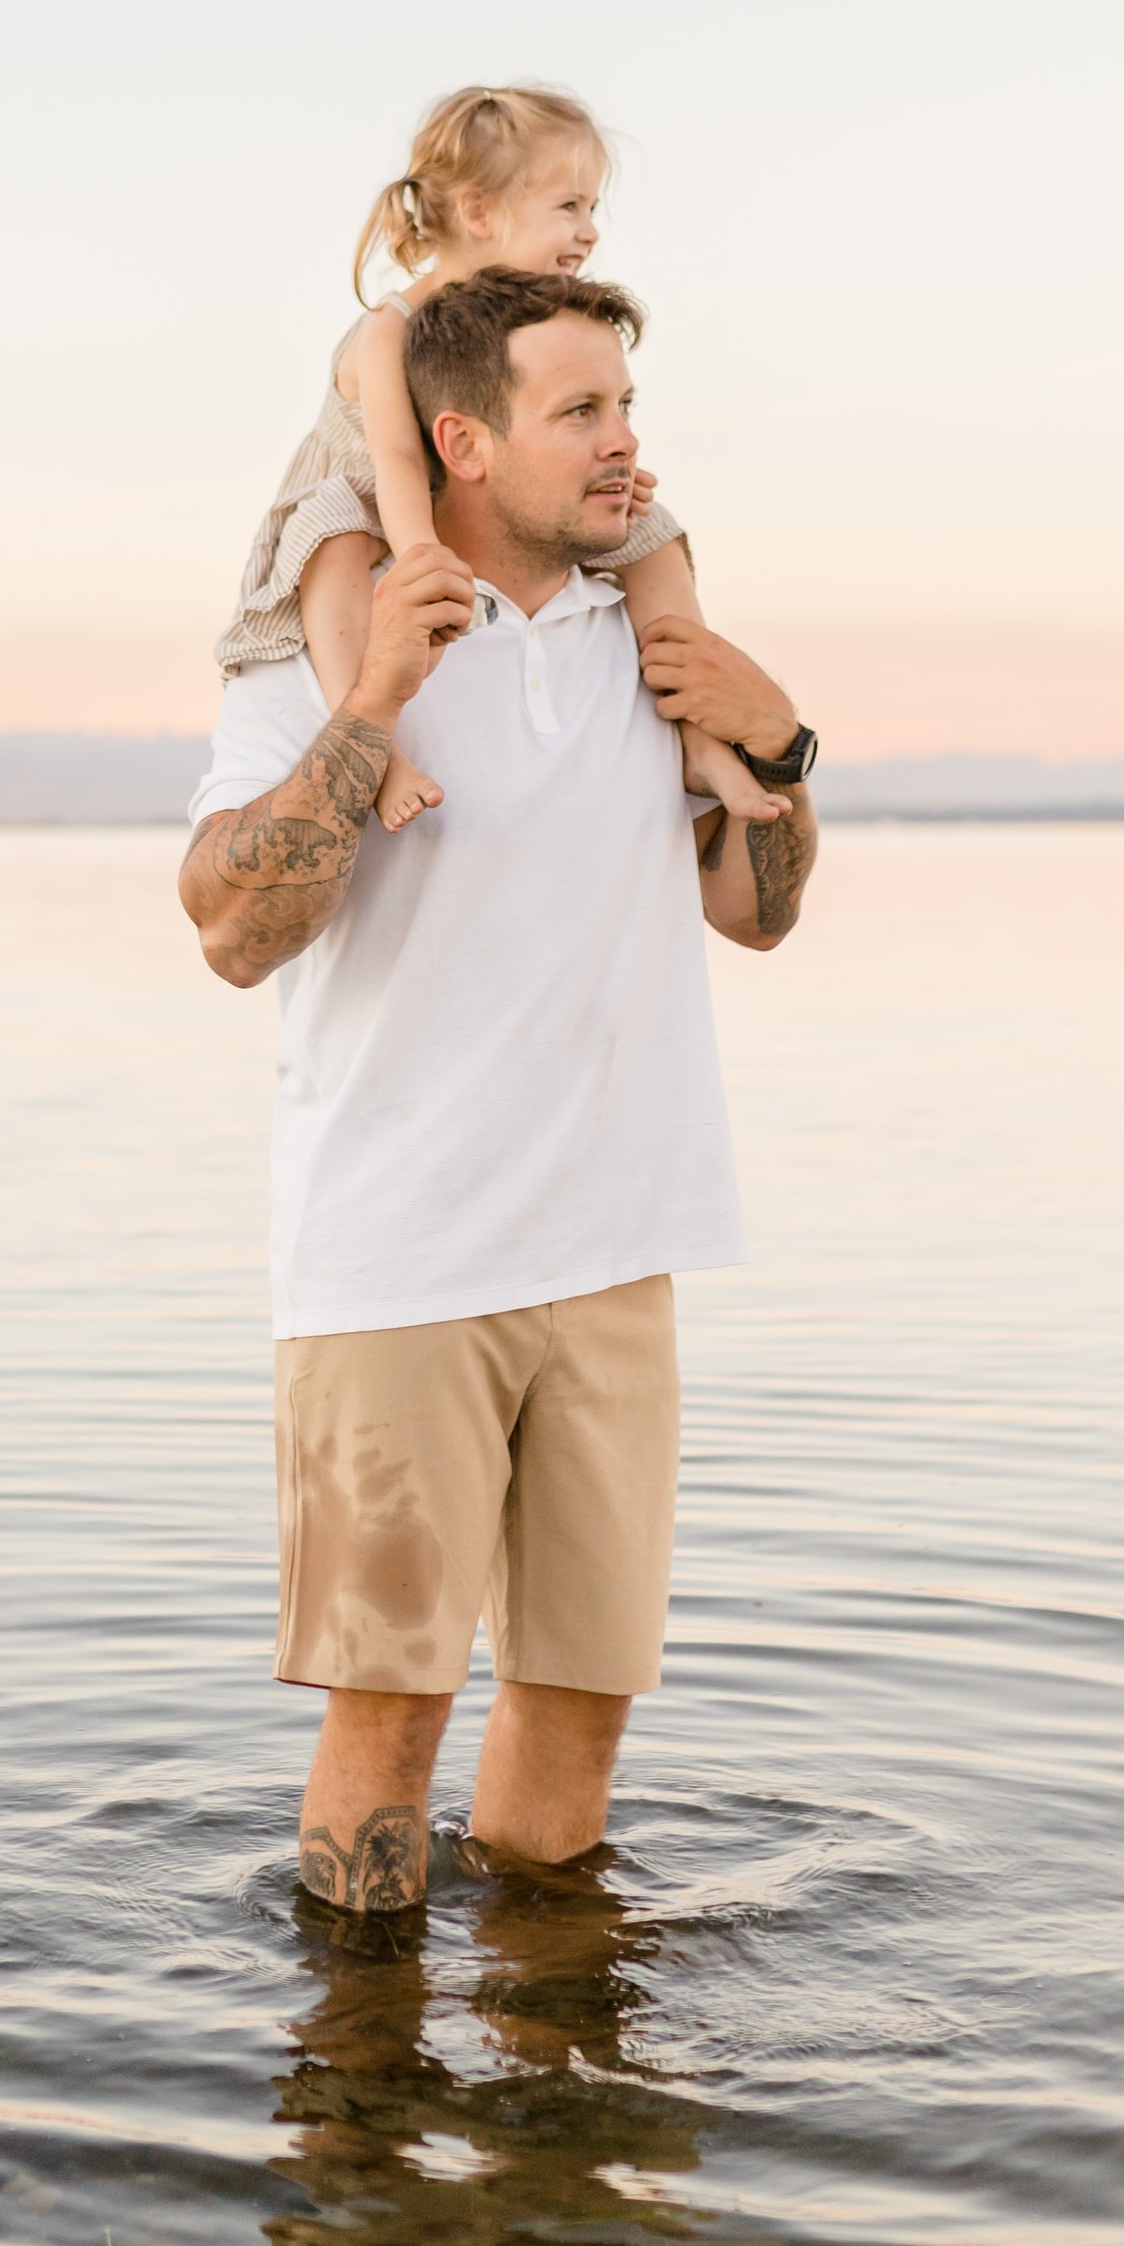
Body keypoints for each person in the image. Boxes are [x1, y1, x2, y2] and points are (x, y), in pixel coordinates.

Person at [180, 265, 820, 1909]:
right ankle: (360, 2106)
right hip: (401, 1266)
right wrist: (377, 698)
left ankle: (553, 2098)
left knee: (580, 1718)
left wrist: (785, 757)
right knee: (384, 1727)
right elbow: (233, 932)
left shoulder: (643, 649)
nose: (629, 448)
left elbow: (756, 917)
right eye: (583, 413)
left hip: (617, 1251)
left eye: (628, 406)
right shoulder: (321, 659)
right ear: (458, 439)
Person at [215, 81, 784, 836]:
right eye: (568, 207)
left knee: (654, 532)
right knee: (333, 532)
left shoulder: (519, 325)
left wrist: (606, 481)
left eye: (593, 209)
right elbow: (394, 459)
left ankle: (702, 739)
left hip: (460, 488)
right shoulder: (390, 329)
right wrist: (421, 563)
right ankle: (376, 752)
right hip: (371, 494)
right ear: (480, 213)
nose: (589, 231)